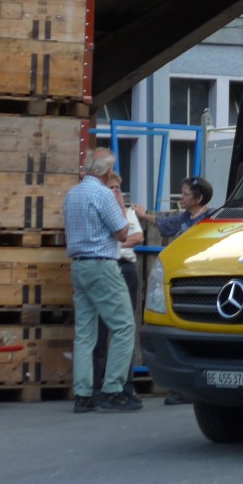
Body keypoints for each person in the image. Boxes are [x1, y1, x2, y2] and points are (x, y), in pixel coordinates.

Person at [63, 148, 142, 413]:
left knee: (85, 333)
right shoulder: (104, 194)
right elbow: (122, 233)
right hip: (102, 265)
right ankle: (113, 389)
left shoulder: (72, 194)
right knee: (124, 327)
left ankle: (83, 394)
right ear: (107, 172)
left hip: (79, 265)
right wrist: (120, 204)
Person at [135, 175, 214, 405]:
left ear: (198, 198)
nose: (181, 197)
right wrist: (143, 215)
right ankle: (183, 387)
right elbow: (166, 224)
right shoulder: (185, 218)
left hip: (206, 284)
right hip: (185, 285)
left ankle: (199, 387)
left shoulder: (210, 219)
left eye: (185, 194)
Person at [91, 172, 144, 401]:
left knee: (126, 327)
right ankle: (97, 384)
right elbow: (124, 237)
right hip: (106, 266)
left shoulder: (128, 212)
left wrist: (117, 238)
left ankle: (125, 384)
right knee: (100, 329)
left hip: (125, 268)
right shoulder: (98, 209)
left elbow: (138, 237)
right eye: (110, 187)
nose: (114, 192)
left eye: (117, 188)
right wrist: (122, 238)